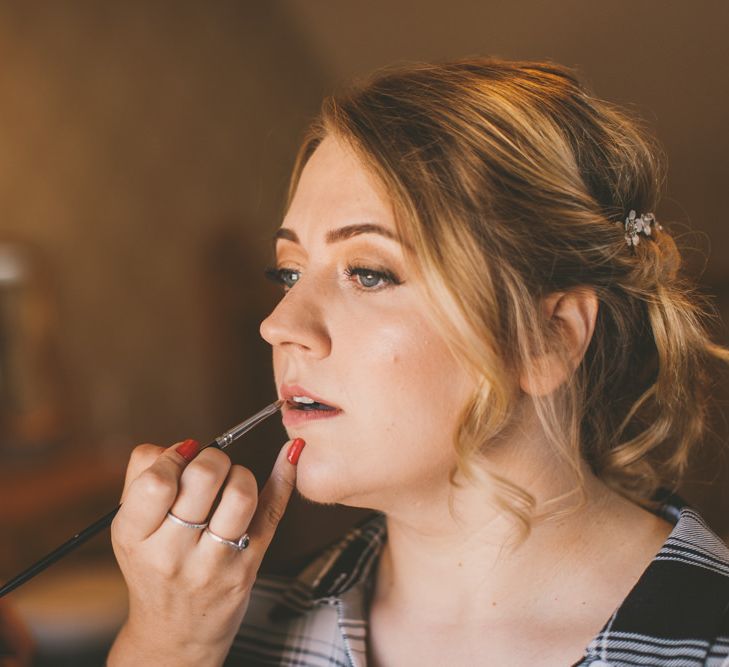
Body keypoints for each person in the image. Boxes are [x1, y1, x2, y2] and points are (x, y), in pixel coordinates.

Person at [107, 58, 729, 666]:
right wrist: (167, 646)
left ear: (548, 338)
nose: (278, 325)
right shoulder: (222, 629)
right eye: (289, 272)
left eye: (369, 273)